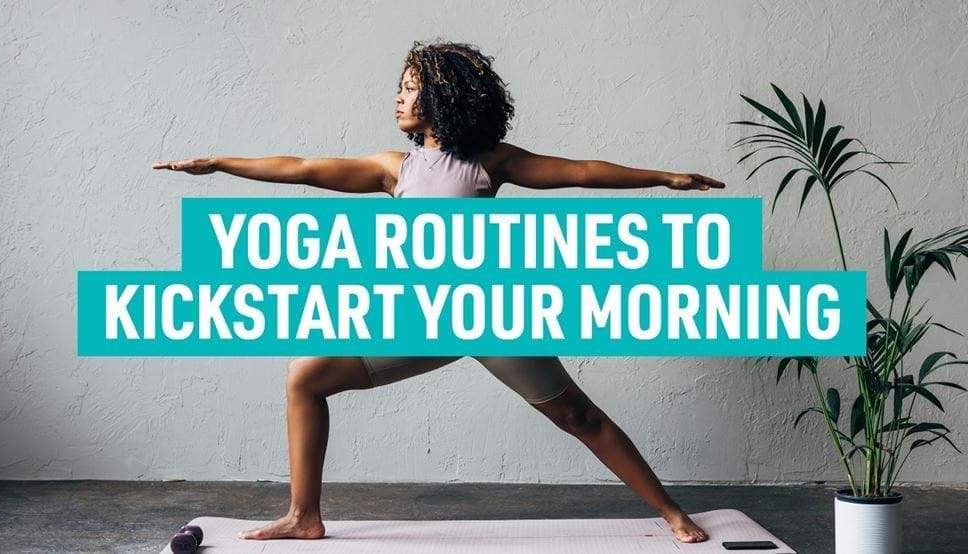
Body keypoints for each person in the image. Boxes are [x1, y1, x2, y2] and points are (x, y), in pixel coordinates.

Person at [153, 39, 725, 544]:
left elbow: (578, 172)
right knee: (304, 376)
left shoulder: (487, 163)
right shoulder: (393, 169)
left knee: (577, 414)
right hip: (425, 319)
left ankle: (671, 512)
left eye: (409, 89)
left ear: (443, 97)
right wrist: (219, 163)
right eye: (400, 89)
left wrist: (663, 177)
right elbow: (302, 168)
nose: (398, 99)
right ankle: (304, 516)